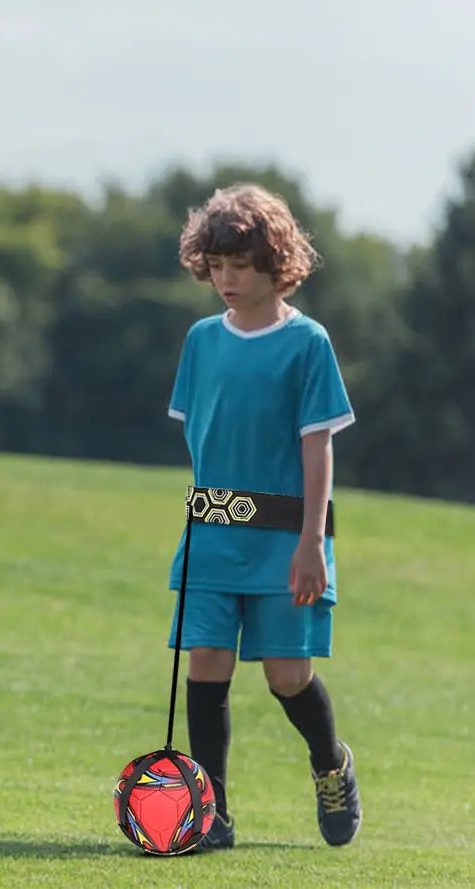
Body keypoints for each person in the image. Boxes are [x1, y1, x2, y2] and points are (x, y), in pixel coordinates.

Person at [166, 183, 362, 850]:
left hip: (287, 540)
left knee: (287, 674)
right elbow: (203, 438)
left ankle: (329, 761)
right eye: (215, 264)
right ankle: (210, 811)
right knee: (206, 663)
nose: (225, 278)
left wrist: (311, 540)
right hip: (212, 536)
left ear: (274, 262)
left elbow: (317, 445)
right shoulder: (199, 340)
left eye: (240, 265)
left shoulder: (307, 342)